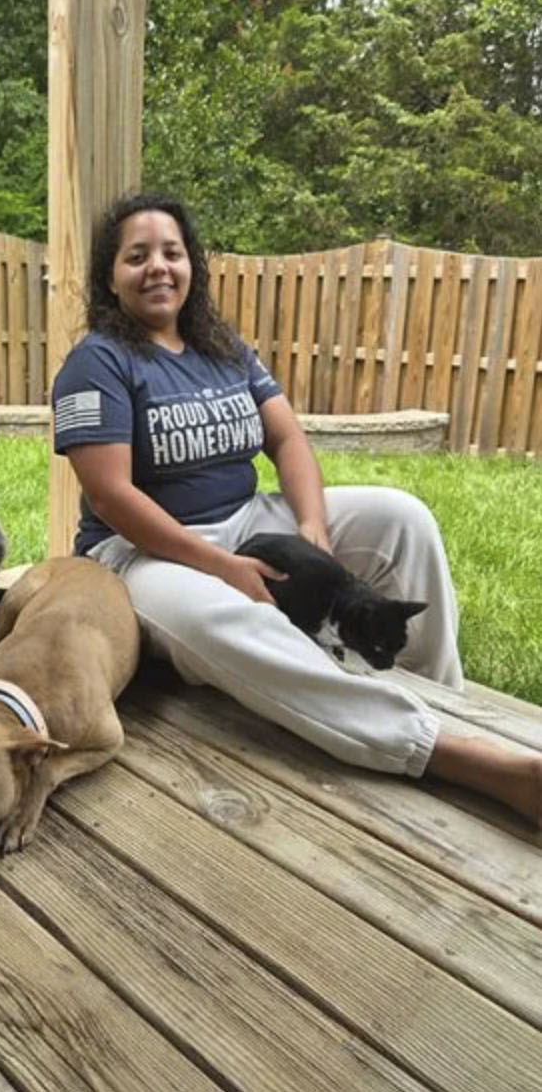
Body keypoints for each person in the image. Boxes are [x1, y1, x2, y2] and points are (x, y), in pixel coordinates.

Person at [51, 191, 542, 828]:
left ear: (192, 264)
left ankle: (442, 696)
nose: (157, 268)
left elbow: (285, 438)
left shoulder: (220, 346)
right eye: (136, 256)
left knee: (402, 517)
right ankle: (448, 753)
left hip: (249, 515)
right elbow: (113, 496)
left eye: (171, 252)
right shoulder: (96, 363)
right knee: (226, 618)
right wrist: (222, 566)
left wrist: (312, 529)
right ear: (110, 278)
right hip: (138, 554)